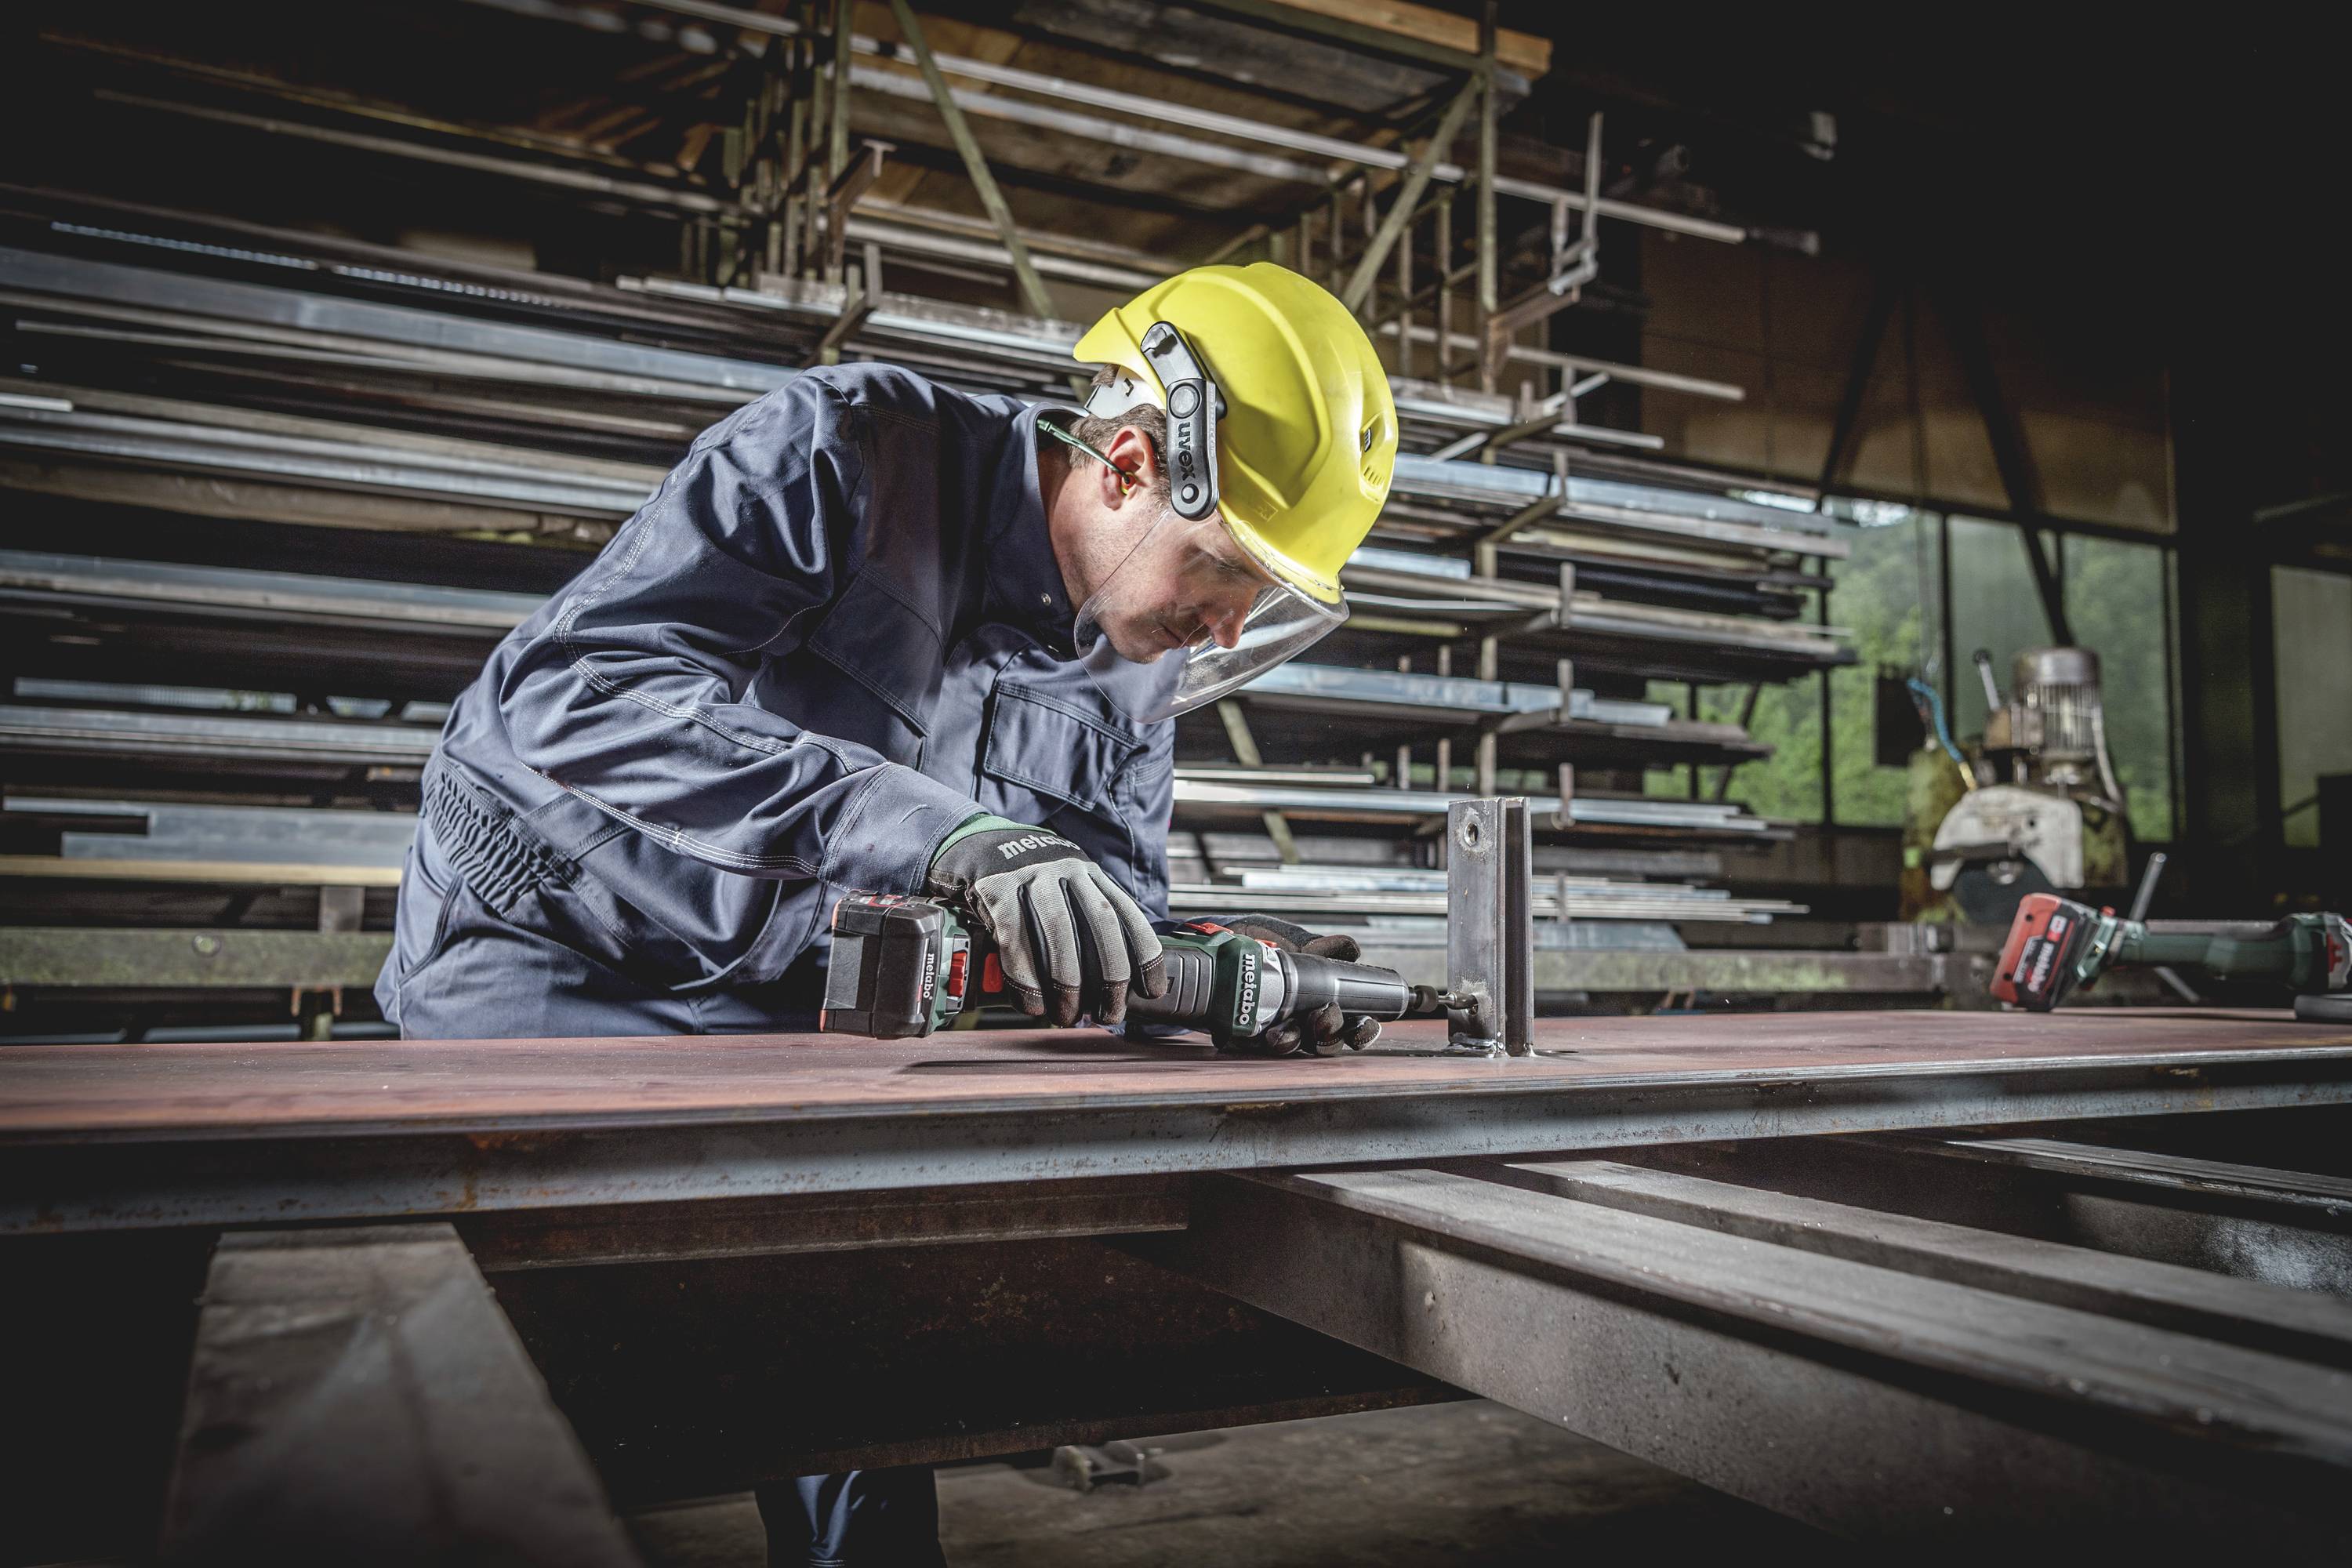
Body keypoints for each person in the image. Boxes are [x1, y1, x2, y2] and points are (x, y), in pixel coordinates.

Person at [374, 262, 1399, 1563]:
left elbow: (1106, 912)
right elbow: (578, 701)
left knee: (846, 1352)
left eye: (1272, 596)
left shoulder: (1134, 660)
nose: (1230, 620)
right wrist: (940, 833)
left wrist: (1212, 980)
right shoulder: (846, 454)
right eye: (1228, 565)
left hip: (792, 1003)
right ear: (1132, 462)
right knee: (489, 1394)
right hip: (557, 950)